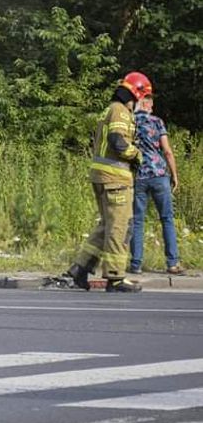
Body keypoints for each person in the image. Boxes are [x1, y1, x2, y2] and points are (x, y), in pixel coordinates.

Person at [63, 72, 151, 293]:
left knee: (106, 226)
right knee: (120, 228)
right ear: (136, 94)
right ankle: (115, 277)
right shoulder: (120, 111)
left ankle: (80, 268)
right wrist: (137, 154)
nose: (142, 102)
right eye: (143, 97)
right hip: (116, 179)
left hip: (103, 177)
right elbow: (118, 142)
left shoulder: (111, 109)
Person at [129, 94, 183, 275]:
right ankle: (172, 263)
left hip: (139, 177)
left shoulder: (130, 122)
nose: (152, 108)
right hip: (159, 174)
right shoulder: (157, 122)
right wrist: (174, 174)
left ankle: (136, 264)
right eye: (151, 104)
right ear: (147, 104)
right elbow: (167, 151)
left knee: (137, 220)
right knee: (167, 218)